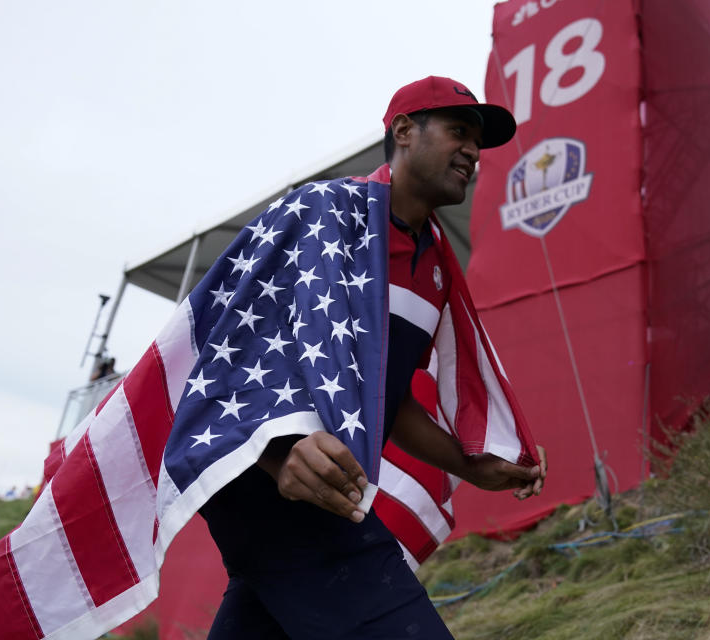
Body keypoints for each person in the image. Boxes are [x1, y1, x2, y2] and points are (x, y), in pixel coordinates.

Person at [199, 76, 547, 640]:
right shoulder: (323, 211)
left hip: (325, 489)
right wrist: (279, 454)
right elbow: (232, 353)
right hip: (273, 483)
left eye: (478, 143)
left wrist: (471, 465)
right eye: (459, 131)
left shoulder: (434, 265)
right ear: (404, 131)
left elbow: (390, 400)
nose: (472, 152)